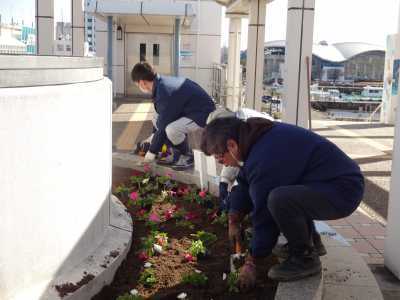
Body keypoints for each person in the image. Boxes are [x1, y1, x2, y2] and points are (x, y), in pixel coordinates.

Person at [200, 116, 364, 287]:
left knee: (279, 200)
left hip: (343, 191)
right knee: (285, 194)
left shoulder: (264, 156)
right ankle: (312, 241)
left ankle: (304, 258)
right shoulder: (256, 140)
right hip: (328, 183)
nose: (220, 162)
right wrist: (234, 217)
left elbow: (264, 215)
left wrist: (252, 260)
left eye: (219, 157)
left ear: (232, 145)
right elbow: (244, 182)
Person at [131, 62, 215, 170]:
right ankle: (176, 153)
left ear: (142, 83)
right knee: (156, 118)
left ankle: (187, 155)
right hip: (187, 109)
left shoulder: (164, 91)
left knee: (171, 129)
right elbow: (160, 121)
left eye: (137, 85)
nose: (139, 87)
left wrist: (150, 155)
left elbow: (162, 128)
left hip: (201, 112)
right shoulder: (160, 85)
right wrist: (150, 141)